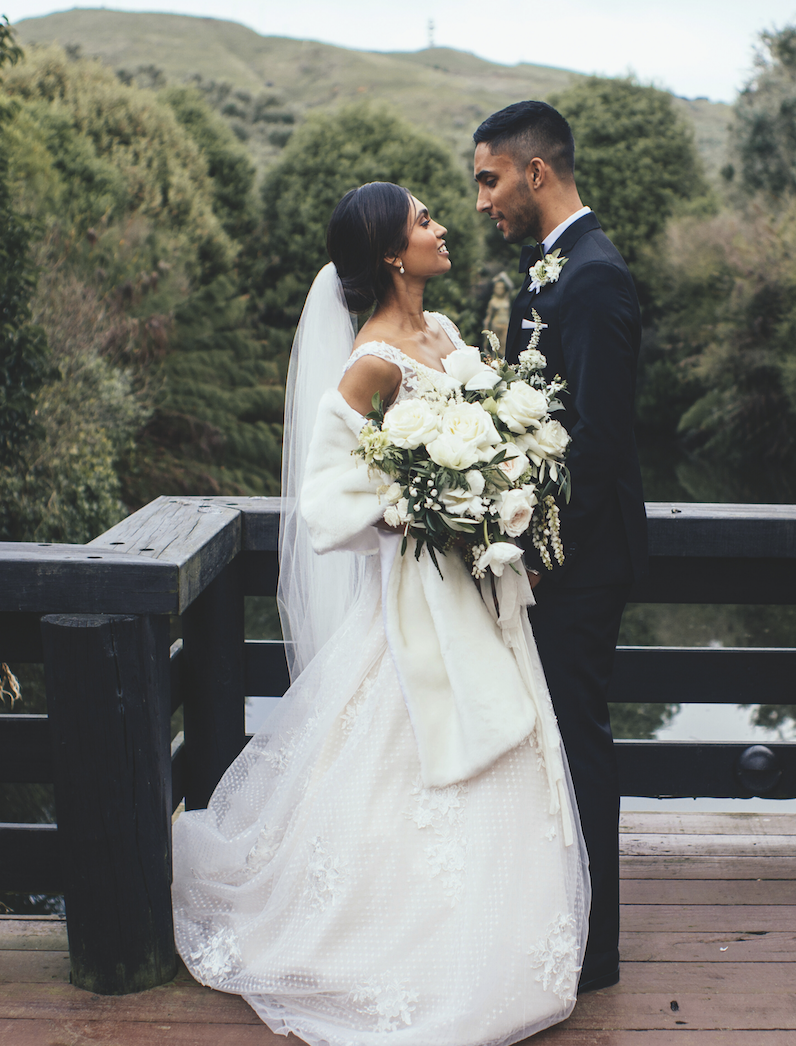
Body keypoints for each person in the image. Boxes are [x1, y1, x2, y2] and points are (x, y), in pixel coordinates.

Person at [171, 181, 589, 1046]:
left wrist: (502, 488)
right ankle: (402, 950)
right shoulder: (371, 361)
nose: (442, 229)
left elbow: (486, 435)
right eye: (425, 222)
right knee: (412, 762)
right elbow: (326, 501)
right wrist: (417, 510)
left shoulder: (444, 336)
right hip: (413, 601)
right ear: (394, 255)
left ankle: (498, 946)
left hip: (478, 592)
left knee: (496, 747)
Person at [473, 101, 649, 994]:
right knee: (545, 743)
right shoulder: (551, 271)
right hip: (540, 555)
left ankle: (596, 950)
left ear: (535, 172)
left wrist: (543, 549)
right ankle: (554, 918)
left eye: (489, 179)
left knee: (579, 743)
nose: (479, 202)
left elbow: (599, 441)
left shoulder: (596, 278)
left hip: (575, 564)